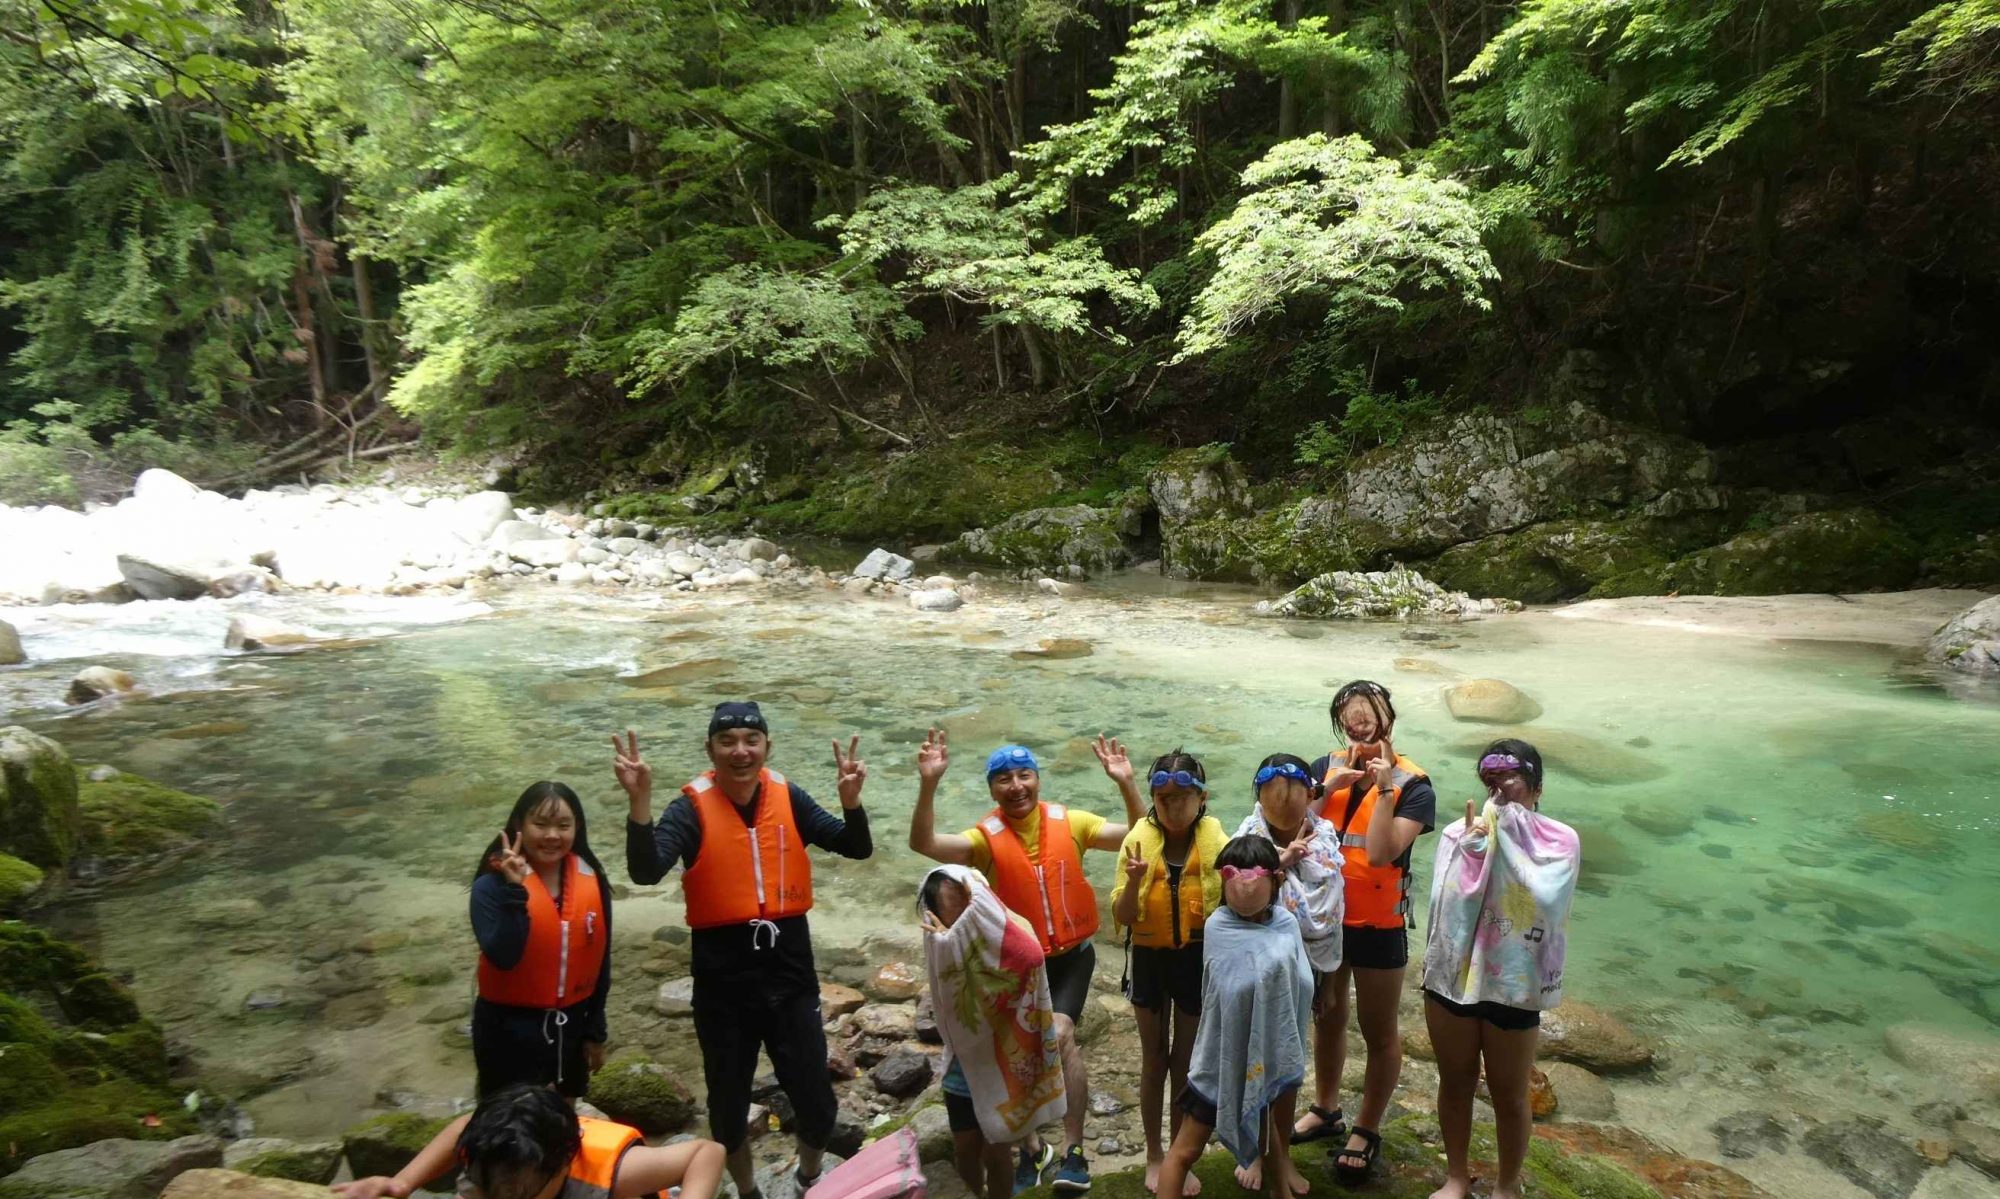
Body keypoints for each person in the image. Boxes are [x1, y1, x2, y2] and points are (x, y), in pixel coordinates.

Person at [615, 704, 872, 1199]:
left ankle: (807, 1177)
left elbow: (854, 847)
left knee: (816, 1102)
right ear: (710, 749)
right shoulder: (690, 807)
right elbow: (647, 871)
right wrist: (639, 804)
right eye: (727, 740)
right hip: (722, 983)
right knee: (728, 1108)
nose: (740, 750)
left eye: (751, 739)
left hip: (790, 973)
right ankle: (750, 1190)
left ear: (766, 747)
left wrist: (852, 803)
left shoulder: (788, 796)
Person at [908, 729, 1143, 1194]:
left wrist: (1125, 783)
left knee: (1060, 1032)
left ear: (1037, 779)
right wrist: (930, 783)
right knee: (1010, 1054)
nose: (1016, 786)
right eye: (1003, 779)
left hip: (1069, 959)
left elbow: (1136, 834)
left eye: (1024, 775)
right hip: (1012, 968)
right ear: (992, 789)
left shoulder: (1071, 822)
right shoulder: (982, 840)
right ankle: (1033, 1149)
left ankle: (1074, 1151)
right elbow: (924, 843)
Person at [1420, 740, 1579, 1199]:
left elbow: (1547, 899)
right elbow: (1444, 912)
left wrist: (1503, 843)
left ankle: (1507, 1185)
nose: (1501, 791)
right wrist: (1473, 850)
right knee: (1455, 1082)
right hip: (1454, 976)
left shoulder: (1561, 840)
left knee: (1510, 1094)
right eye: (1492, 781)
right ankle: (1456, 1177)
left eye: (1513, 780)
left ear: (1538, 787)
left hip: (1516, 980)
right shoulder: (1459, 833)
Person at [1301, 680, 1437, 1184]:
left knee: (1379, 1032)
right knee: (1328, 1018)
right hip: (1325, 919)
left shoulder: (1415, 785)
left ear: (1388, 718)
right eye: (1350, 715)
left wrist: (1381, 789)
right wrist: (1324, 791)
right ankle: (1325, 1108)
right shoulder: (1324, 767)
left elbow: (1380, 853)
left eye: (1368, 713)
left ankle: (1366, 1127)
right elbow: (1294, 829)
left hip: (1380, 924)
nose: (1359, 723)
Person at [1153, 836, 1315, 1199]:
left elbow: (1299, 982)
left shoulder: (1285, 924)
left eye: (1252, 873)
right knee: (1184, 1151)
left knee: (1266, 1127)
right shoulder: (1218, 926)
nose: (1243, 883)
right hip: (1220, 1061)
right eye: (1233, 873)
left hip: (1263, 1060)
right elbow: (1231, 989)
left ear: (1275, 880)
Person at [1108, 750, 1226, 1196]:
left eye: (1183, 798)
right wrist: (1137, 881)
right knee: (1154, 1058)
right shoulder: (1138, 842)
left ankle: (1179, 1154)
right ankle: (1154, 1154)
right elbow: (1121, 912)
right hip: (1150, 959)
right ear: (1154, 799)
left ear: (1202, 798)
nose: (1173, 807)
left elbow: (1242, 894)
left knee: (1187, 1062)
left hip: (1196, 960)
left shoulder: (1215, 839)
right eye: (1163, 798)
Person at [919, 865, 1070, 1199]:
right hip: (963, 1065)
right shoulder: (941, 945)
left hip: (1000, 1064)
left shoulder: (1003, 932)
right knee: (966, 1148)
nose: (964, 918)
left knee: (997, 1151)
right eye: (954, 911)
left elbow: (1030, 953)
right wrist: (949, 938)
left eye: (969, 906)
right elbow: (951, 971)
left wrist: (980, 904)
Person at [1228, 753, 1343, 1189]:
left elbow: (1332, 919)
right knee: (1254, 1060)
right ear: (1258, 794)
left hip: (1306, 972)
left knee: (1289, 1065)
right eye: (1275, 790)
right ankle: (1254, 1151)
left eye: (1296, 790)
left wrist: (1328, 983)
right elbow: (1235, 905)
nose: (1286, 798)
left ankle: (1281, 1155)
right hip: (1255, 971)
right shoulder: (1245, 841)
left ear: (1311, 794)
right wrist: (1279, 862)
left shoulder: (1326, 839)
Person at [331, 1082, 726, 1199]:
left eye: (520, 1196)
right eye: (493, 1193)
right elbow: (465, 1125)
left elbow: (707, 1153)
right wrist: (401, 1183)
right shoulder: (490, 1150)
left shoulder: (614, 1175)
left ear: (563, 1164)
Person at [471, 782, 614, 1099]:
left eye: (564, 825)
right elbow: (503, 955)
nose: (553, 835)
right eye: (541, 824)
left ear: (578, 828)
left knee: (563, 1119)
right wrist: (514, 891)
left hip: (571, 1026)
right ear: (519, 825)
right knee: (509, 1125)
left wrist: (595, 1032)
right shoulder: (490, 886)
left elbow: (601, 961)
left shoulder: (592, 879)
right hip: (508, 1030)